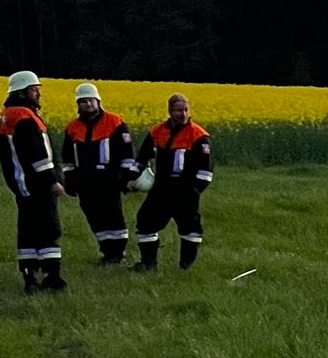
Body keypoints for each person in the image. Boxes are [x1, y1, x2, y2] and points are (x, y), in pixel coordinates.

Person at [0, 71, 66, 294]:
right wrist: (52, 181)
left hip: (21, 184)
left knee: (27, 230)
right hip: (37, 184)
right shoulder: (24, 117)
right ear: (22, 92)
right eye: (34, 90)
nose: (38, 94)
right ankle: (52, 277)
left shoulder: (7, 115)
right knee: (48, 228)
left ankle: (30, 276)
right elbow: (37, 154)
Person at [59, 82, 138, 264]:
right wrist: (69, 179)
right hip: (85, 181)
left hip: (109, 179)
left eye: (91, 100)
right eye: (83, 101)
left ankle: (118, 253)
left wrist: (125, 177)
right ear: (78, 104)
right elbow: (67, 157)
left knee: (113, 215)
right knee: (93, 216)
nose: (88, 104)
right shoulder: (72, 128)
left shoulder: (115, 122)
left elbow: (126, 153)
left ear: (98, 101)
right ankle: (107, 252)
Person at [132, 92, 213, 271]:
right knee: (145, 221)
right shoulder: (157, 131)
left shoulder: (199, 135)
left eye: (185, 110)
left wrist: (194, 191)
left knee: (190, 228)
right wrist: (130, 177)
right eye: (178, 110)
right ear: (170, 111)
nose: (183, 114)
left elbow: (206, 171)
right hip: (161, 188)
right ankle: (148, 264)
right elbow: (142, 157)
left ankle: (186, 266)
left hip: (186, 190)